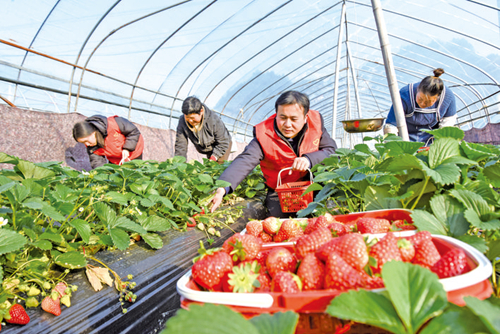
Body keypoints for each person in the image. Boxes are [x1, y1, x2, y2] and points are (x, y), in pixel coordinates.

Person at [210, 91, 337, 218]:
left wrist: (309, 159)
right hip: (279, 191)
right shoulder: (264, 134)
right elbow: (245, 160)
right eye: (282, 117)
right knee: (277, 222)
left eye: (294, 119)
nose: (287, 124)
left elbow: (331, 151)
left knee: (318, 220)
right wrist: (223, 188)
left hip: (312, 186)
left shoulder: (316, 125)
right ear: (276, 115)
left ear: (305, 118)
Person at [384, 68, 457, 146]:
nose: (422, 104)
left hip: (430, 140)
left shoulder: (448, 97)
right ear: (417, 89)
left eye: (428, 102)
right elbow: (391, 126)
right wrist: (393, 147)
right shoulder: (405, 94)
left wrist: (439, 146)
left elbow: (448, 123)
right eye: (420, 99)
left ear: (437, 98)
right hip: (405, 139)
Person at [73, 115, 144, 169]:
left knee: (134, 175)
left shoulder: (114, 123)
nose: (87, 144)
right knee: (116, 178)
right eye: (83, 142)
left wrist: (127, 149)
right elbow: (97, 163)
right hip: (115, 159)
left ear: (93, 132)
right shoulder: (92, 147)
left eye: (86, 140)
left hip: (133, 153)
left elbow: (133, 132)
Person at [174, 96, 232, 164]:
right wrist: (179, 164)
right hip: (208, 147)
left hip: (222, 144)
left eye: (192, 118)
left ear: (201, 111)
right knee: (209, 167)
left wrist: (214, 157)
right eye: (187, 117)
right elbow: (181, 144)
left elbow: (223, 142)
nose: (190, 120)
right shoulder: (182, 121)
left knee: (217, 167)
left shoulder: (213, 120)